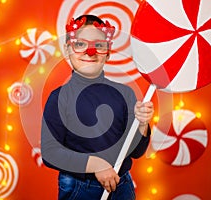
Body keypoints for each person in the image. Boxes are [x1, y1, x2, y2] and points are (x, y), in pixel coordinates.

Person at [41, 14, 154, 200]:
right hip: (79, 188)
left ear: (108, 53)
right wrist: (95, 165)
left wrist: (142, 125)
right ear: (68, 49)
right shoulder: (60, 98)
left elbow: (136, 151)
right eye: (80, 44)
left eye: (98, 46)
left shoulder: (125, 94)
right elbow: (50, 153)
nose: (90, 52)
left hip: (122, 184)